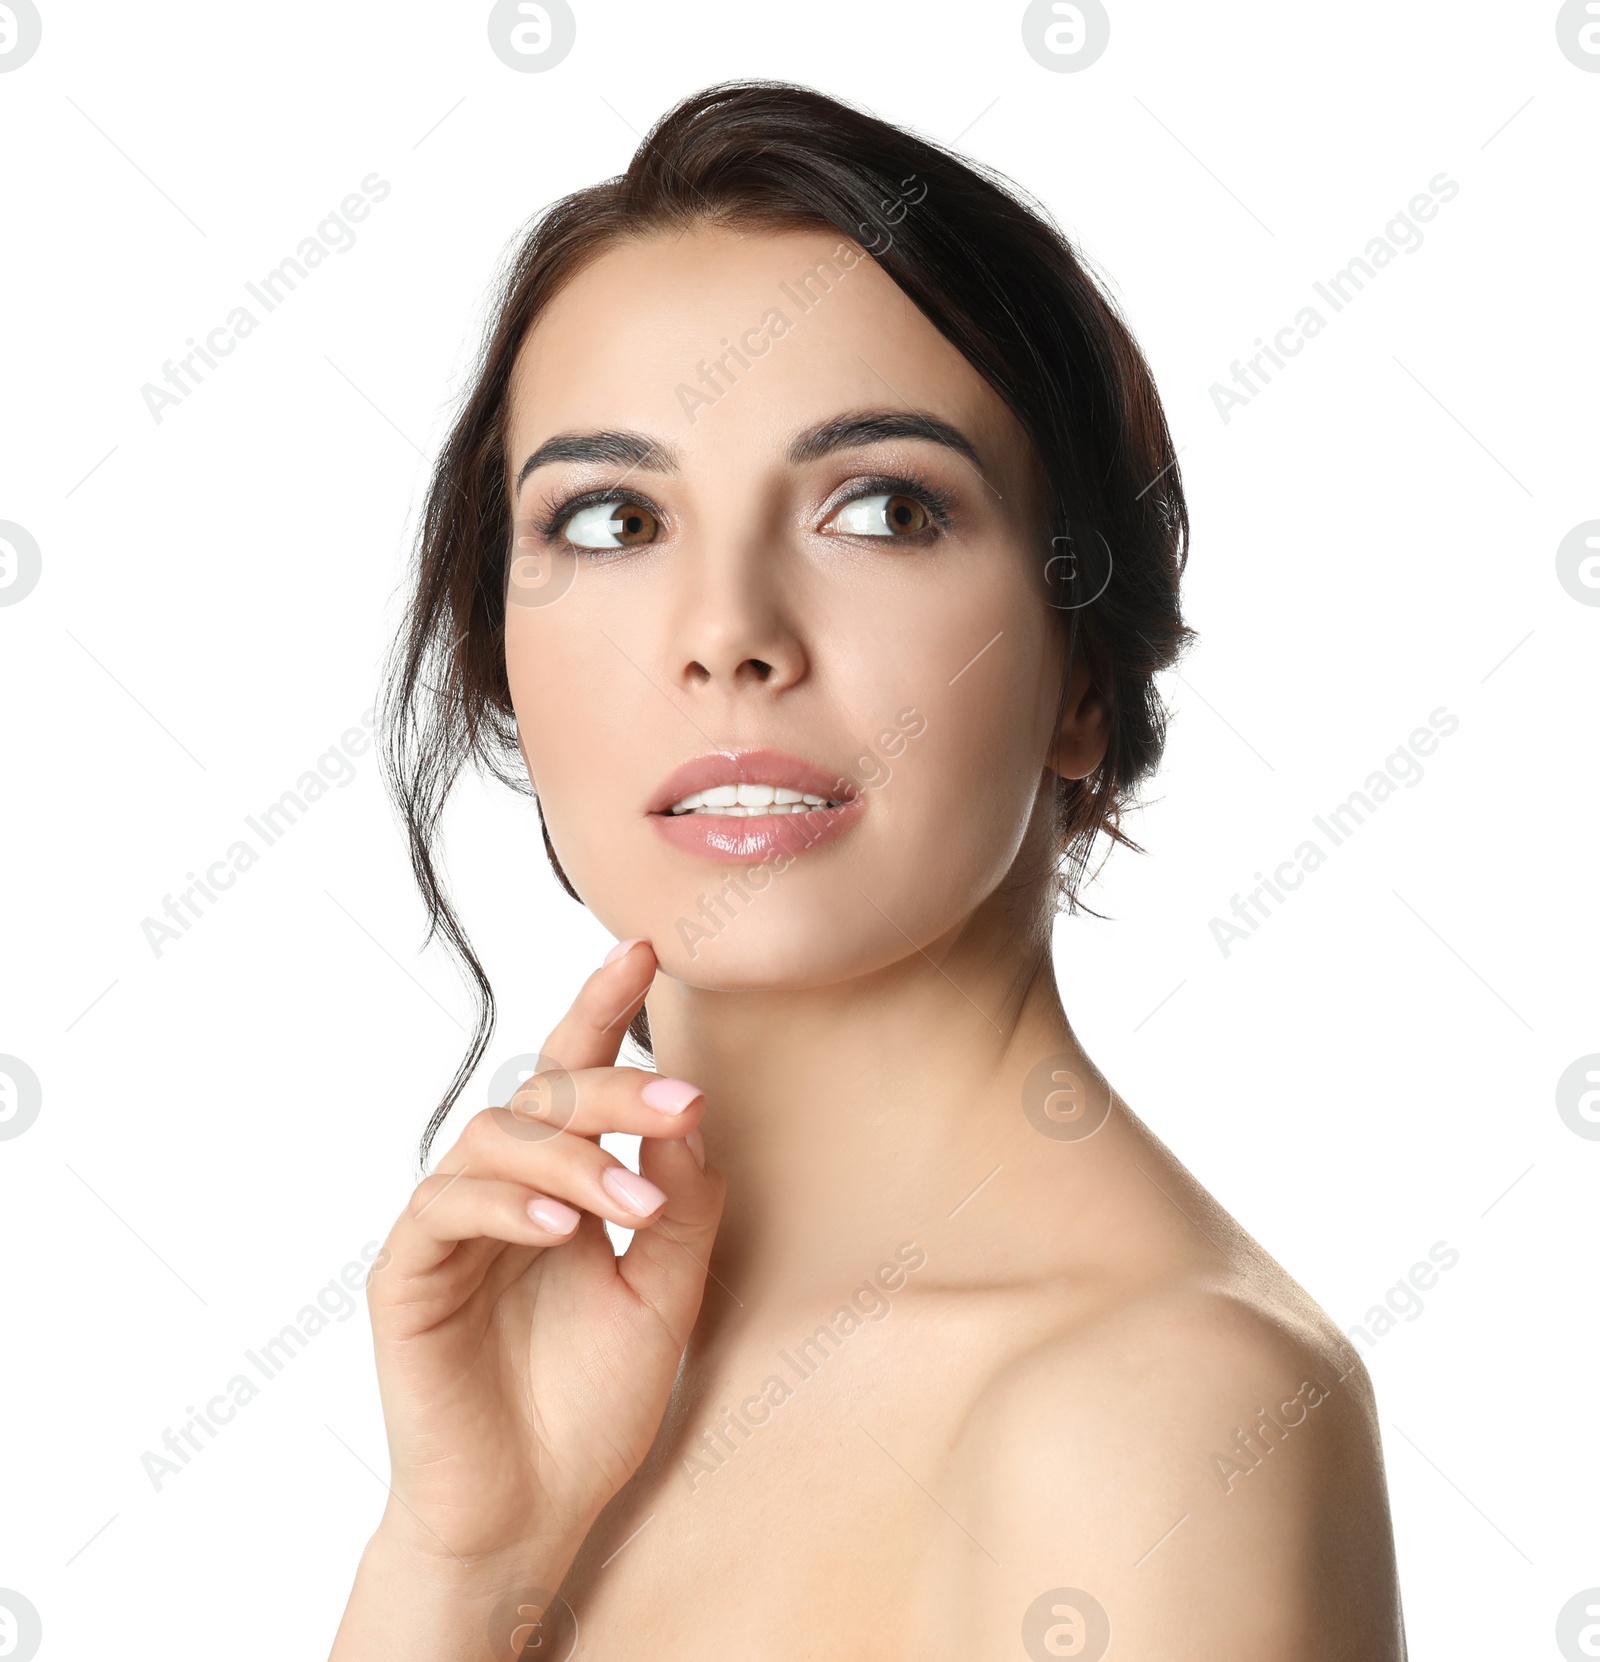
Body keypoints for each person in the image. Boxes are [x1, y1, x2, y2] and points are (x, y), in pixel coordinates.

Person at [330, 80, 1405, 1661]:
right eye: (616, 517)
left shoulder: (1163, 1418)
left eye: (883, 507)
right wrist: (461, 1555)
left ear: (1084, 676)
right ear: (501, 662)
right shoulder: (556, 1393)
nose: (726, 635)